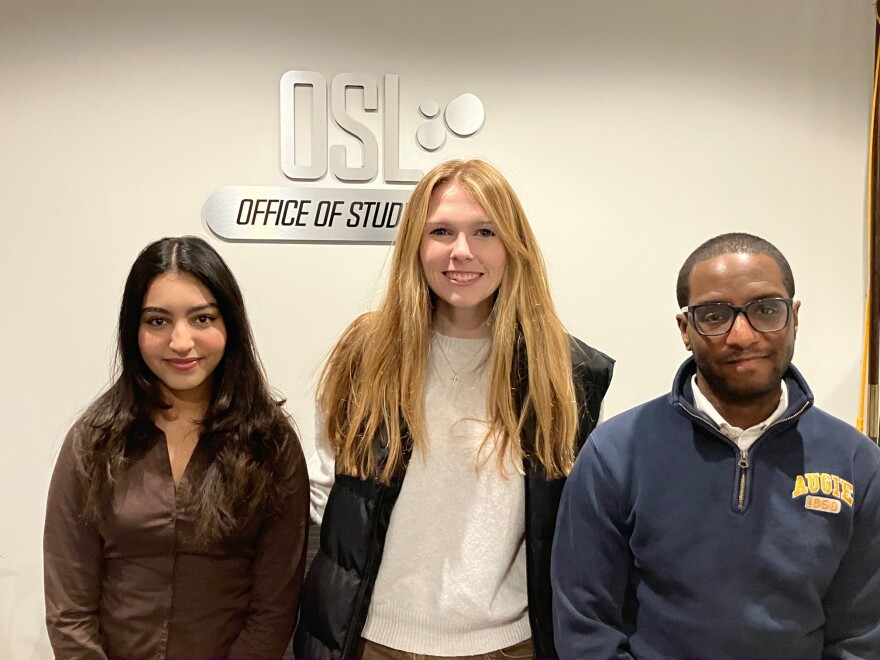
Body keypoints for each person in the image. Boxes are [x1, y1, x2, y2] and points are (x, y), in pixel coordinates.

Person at [294, 159, 613, 660]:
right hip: (372, 640)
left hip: (510, 646)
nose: (461, 251)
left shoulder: (566, 370)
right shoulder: (367, 353)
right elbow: (329, 488)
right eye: (441, 231)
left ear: (513, 246)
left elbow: (568, 521)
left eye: (484, 231)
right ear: (415, 247)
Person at [552, 232, 880, 658]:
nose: (742, 335)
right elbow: (585, 625)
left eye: (765, 310)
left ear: (794, 317)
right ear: (685, 329)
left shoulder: (856, 462)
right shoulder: (615, 454)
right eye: (714, 315)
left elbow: (862, 634)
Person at [44, 236, 309, 659]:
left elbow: (274, 610)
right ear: (134, 330)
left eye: (202, 319)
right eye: (157, 321)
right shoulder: (92, 441)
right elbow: (69, 609)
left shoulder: (271, 444)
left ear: (230, 325)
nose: (181, 342)